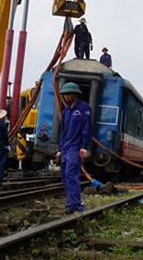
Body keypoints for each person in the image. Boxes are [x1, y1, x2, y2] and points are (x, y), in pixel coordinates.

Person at [55, 82, 92, 213]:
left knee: (71, 175)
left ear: (75, 94)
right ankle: (70, 203)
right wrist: (59, 149)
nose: (66, 97)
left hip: (75, 148)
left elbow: (86, 129)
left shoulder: (84, 109)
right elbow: (63, 132)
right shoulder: (66, 112)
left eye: (69, 94)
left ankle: (76, 204)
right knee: (65, 176)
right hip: (65, 148)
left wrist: (84, 147)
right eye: (65, 94)